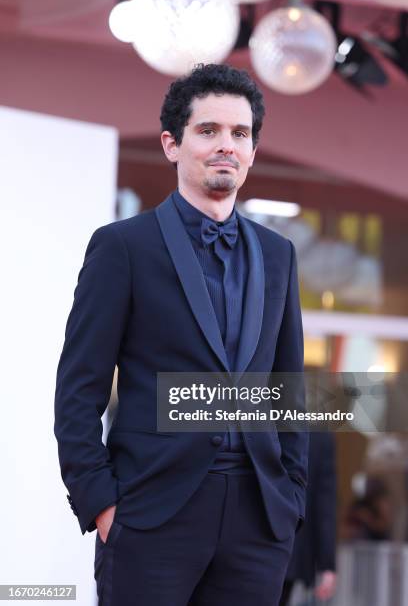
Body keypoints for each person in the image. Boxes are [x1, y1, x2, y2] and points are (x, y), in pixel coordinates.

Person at [54, 63, 308, 606]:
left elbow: (289, 387)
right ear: (172, 144)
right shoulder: (123, 247)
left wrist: (292, 497)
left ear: (253, 151)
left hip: (259, 521)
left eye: (240, 134)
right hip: (150, 513)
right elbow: (79, 388)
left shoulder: (278, 255)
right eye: (208, 130)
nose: (227, 146)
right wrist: (102, 503)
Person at [280, 432, 337, 606]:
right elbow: (324, 504)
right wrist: (326, 565)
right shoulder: (319, 434)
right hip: (290, 547)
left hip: (243, 540)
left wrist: (327, 564)